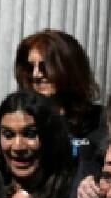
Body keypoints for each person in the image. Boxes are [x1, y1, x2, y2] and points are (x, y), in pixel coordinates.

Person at [0, 90, 86, 198]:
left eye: (30, 134)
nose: (18, 147)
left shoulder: (74, 195)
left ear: (51, 137)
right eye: (8, 135)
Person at [14, 29, 105, 167]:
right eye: (30, 67)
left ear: (68, 68)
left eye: (44, 67)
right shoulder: (18, 118)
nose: (36, 75)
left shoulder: (101, 120)